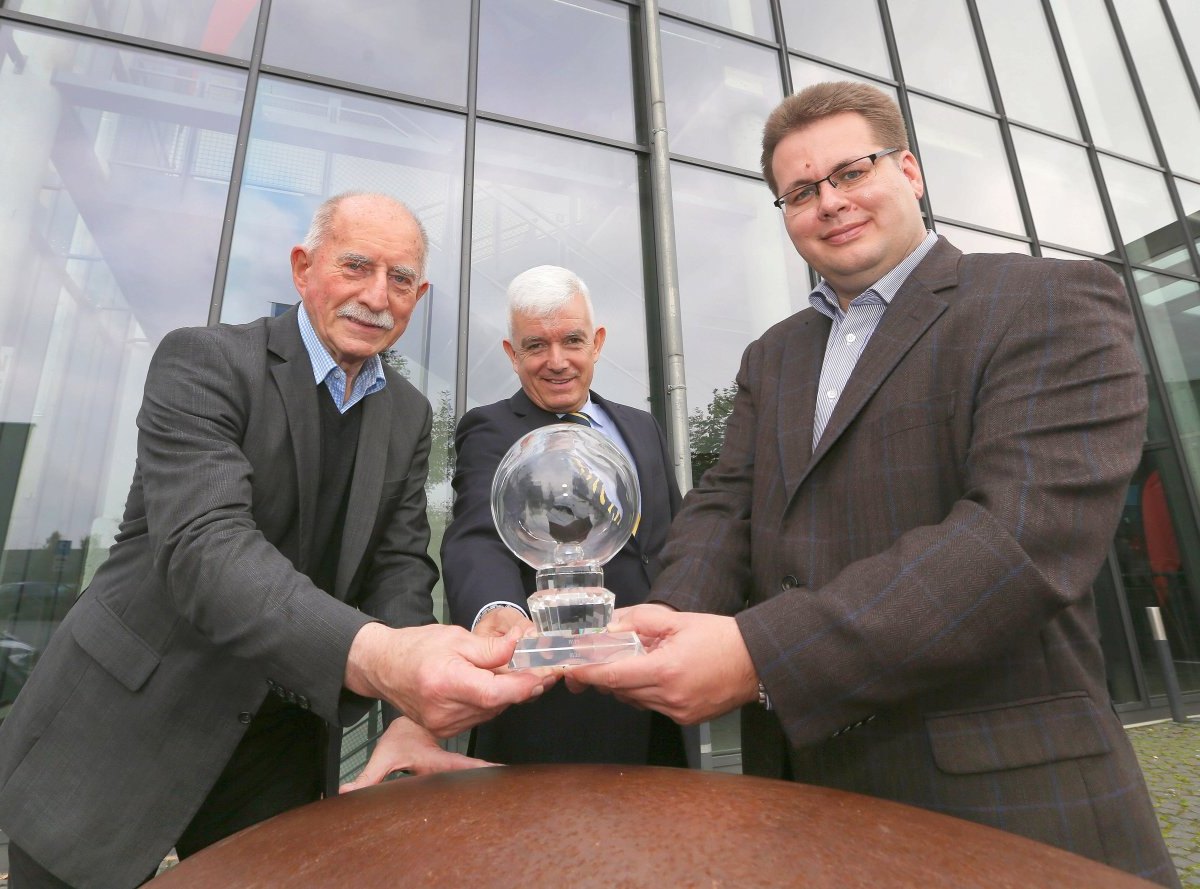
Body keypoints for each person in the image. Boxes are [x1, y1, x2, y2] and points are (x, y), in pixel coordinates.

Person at [571, 82, 1178, 886]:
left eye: (850, 172)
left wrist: (758, 654)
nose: (829, 202)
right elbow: (726, 504)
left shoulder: (1047, 299)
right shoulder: (772, 355)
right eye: (800, 191)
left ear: (910, 171)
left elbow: (1015, 544)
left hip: (997, 803)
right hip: (799, 795)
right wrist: (671, 620)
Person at [0, 192, 552, 889]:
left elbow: (398, 565)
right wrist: (383, 658)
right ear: (302, 267)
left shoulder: (409, 414)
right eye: (356, 266)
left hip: (275, 744)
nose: (377, 296)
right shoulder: (202, 362)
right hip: (122, 726)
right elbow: (207, 548)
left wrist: (415, 711)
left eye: (401, 279)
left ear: (420, 294)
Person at [442, 265, 687, 765]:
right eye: (535, 345)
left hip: (657, 694)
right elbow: (477, 536)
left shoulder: (642, 427)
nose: (557, 361)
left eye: (572, 340)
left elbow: (674, 538)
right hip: (554, 712)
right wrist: (496, 611)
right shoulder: (490, 430)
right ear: (512, 355)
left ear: (596, 342)